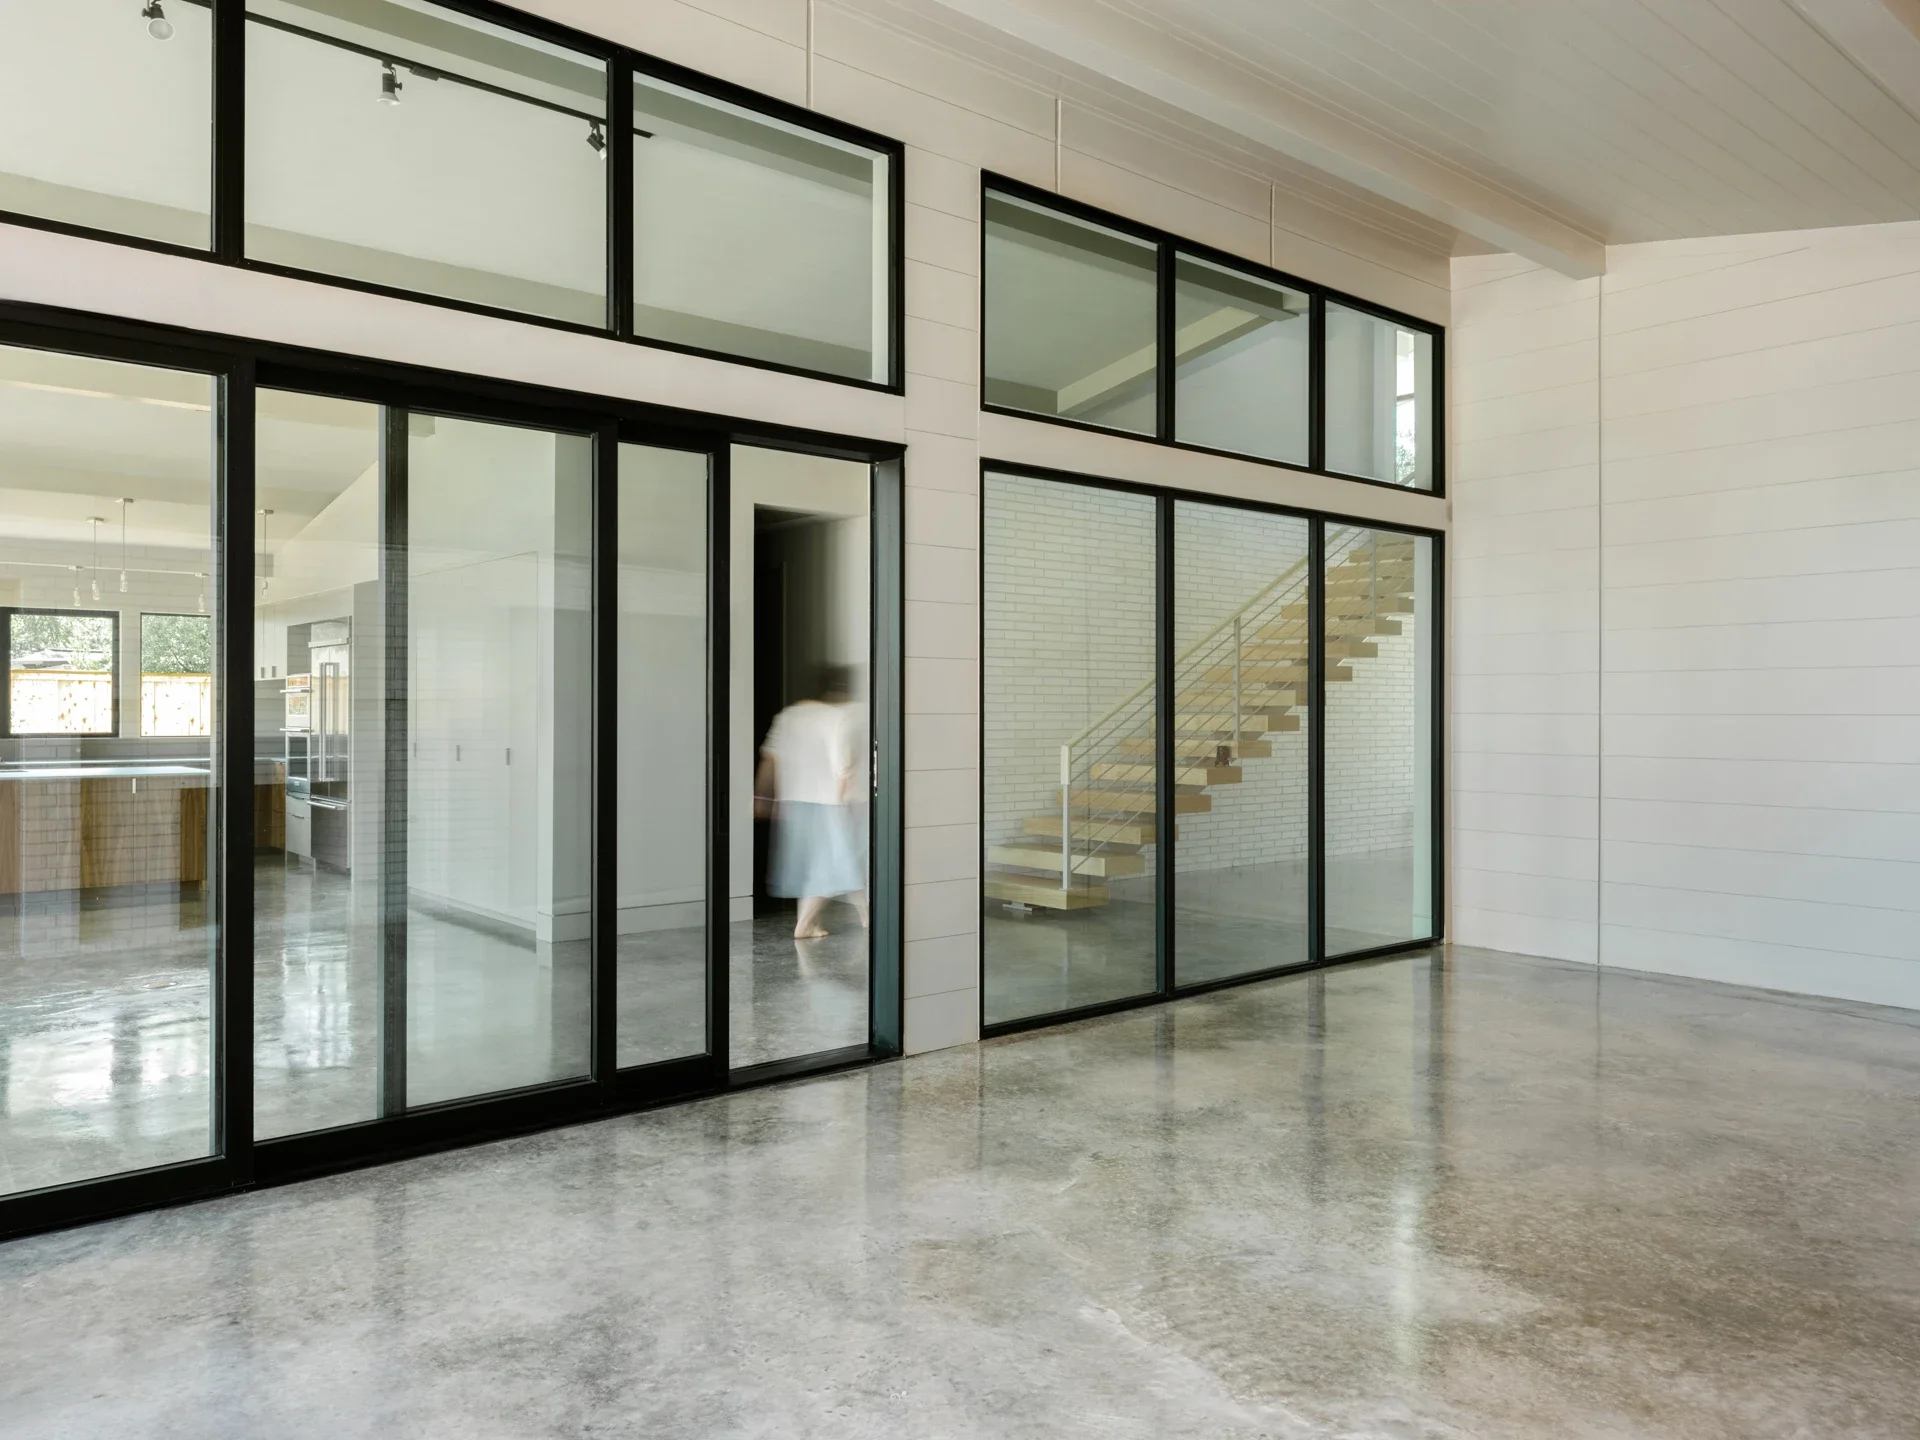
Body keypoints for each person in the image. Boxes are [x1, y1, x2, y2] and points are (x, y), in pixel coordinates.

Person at [756, 664, 867, 939]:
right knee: (838, 863)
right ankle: (807, 923)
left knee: (830, 863)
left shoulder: (789, 715)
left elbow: (770, 758)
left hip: (795, 801)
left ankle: (864, 916)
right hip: (829, 801)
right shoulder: (836, 717)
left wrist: (761, 797)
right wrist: (844, 795)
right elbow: (841, 760)